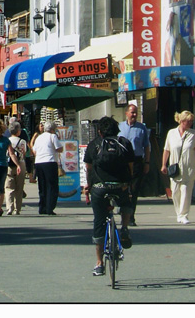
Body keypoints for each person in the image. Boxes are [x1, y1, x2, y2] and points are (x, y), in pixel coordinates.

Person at [82, 116, 136, 277]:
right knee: (126, 202)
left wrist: (88, 186)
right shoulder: (124, 143)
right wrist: (129, 184)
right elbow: (131, 166)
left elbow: (88, 168)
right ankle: (125, 227)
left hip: (100, 188)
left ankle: (99, 263)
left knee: (99, 222)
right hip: (121, 185)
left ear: (100, 131)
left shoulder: (94, 145)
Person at [160, 110, 195, 224]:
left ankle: (184, 215)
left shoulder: (193, 134)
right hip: (175, 169)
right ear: (182, 121)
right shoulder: (171, 133)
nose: (191, 123)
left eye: (191, 121)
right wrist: (164, 164)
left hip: (189, 168)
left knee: (185, 191)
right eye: (189, 121)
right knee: (175, 192)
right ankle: (179, 213)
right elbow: (166, 149)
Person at [117, 103, 151, 225]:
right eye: (132, 112)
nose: (134, 115)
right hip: (122, 162)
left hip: (137, 161)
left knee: (134, 189)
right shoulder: (119, 127)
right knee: (122, 188)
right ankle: (122, 209)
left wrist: (147, 162)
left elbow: (146, 147)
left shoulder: (142, 128)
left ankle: (131, 217)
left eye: (136, 112)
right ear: (126, 113)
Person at [32, 121, 64, 215]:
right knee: (52, 185)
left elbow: (34, 150)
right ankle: (50, 207)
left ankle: (42, 207)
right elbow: (59, 149)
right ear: (53, 129)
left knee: (42, 185)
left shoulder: (39, 137)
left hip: (39, 162)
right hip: (50, 161)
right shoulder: (53, 136)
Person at [4, 122, 28, 215]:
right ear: (18, 131)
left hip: (9, 164)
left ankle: (9, 207)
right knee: (19, 186)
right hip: (20, 164)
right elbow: (24, 153)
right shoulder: (22, 141)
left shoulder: (7, 140)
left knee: (9, 186)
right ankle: (17, 209)